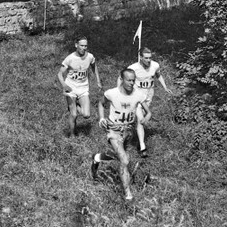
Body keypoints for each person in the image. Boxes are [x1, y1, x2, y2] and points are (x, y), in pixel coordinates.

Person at [92, 68, 149, 201]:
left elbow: (148, 111)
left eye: (133, 80)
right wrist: (101, 119)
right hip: (113, 131)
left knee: (120, 157)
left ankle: (98, 157)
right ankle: (128, 194)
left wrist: (146, 118)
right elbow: (100, 104)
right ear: (121, 79)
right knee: (124, 160)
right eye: (129, 80)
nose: (131, 83)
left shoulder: (138, 95)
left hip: (128, 131)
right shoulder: (112, 93)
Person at [123, 47, 172, 157]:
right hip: (136, 97)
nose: (148, 60)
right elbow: (121, 78)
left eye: (150, 58)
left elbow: (158, 75)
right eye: (146, 58)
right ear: (140, 57)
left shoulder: (155, 65)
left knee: (138, 120)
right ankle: (142, 146)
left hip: (148, 97)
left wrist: (165, 87)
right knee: (140, 120)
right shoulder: (133, 68)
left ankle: (128, 129)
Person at [58, 36, 102, 136]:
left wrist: (98, 81)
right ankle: (72, 135)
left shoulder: (90, 57)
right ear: (76, 45)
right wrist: (64, 85)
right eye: (81, 45)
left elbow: (94, 67)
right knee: (73, 114)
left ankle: (76, 105)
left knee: (86, 115)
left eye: (86, 46)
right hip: (71, 88)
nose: (84, 48)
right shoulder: (70, 58)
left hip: (83, 88)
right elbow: (59, 74)